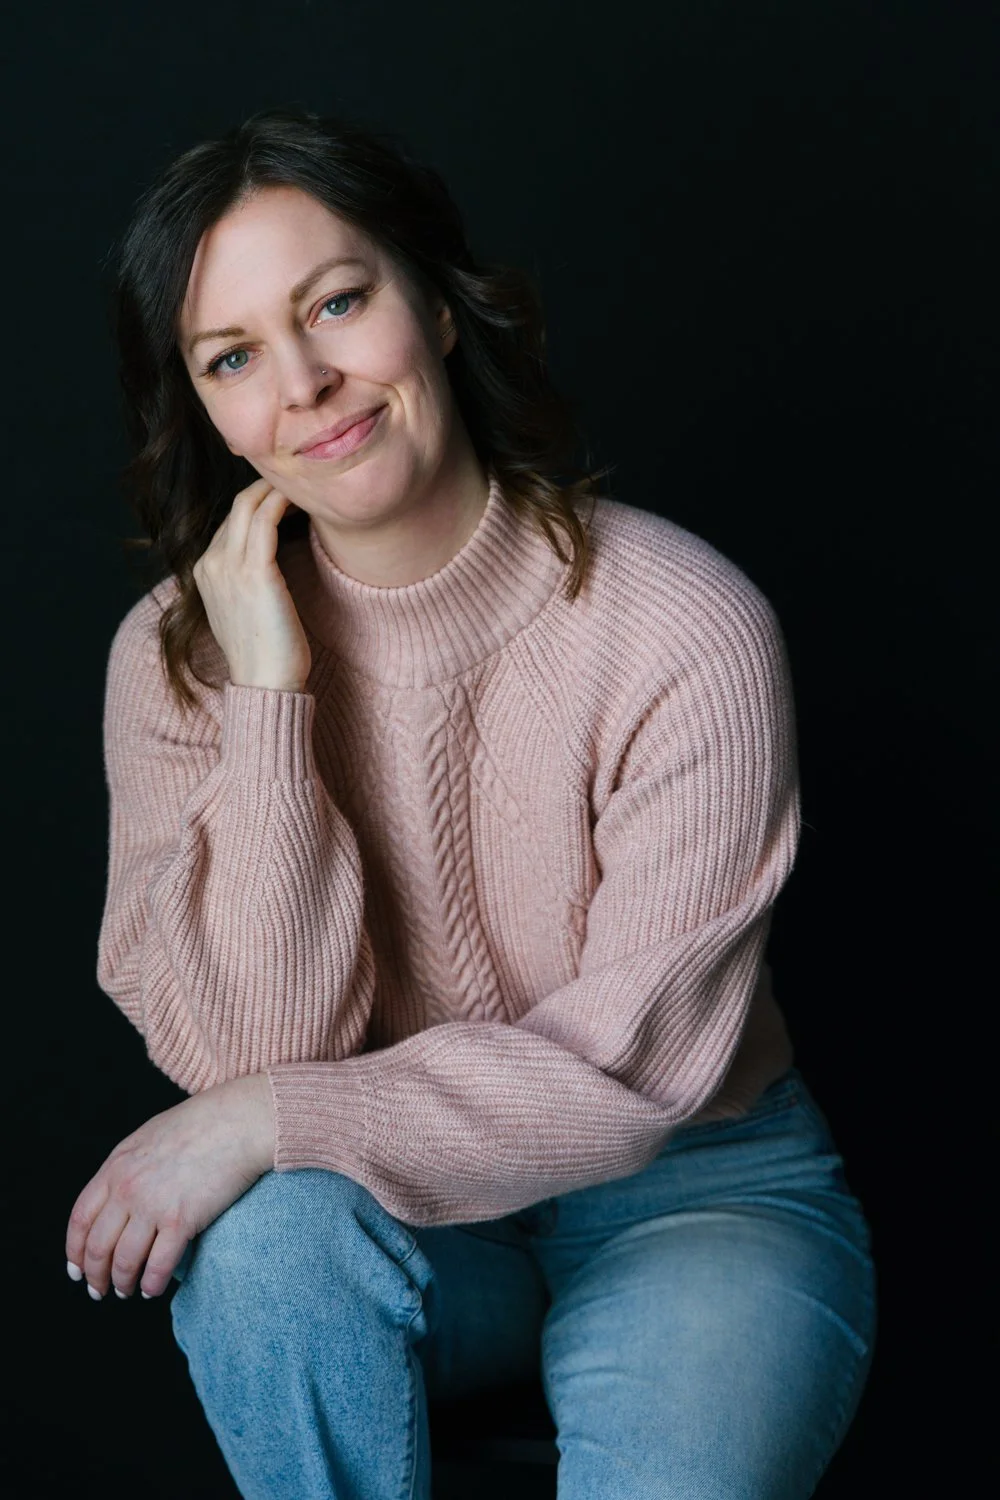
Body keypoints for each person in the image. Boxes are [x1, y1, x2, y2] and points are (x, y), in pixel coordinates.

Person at [65, 107, 877, 1499]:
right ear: (201, 404)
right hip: (411, 1224)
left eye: (338, 301)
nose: (307, 383)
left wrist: (269, 1120)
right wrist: (273, 706)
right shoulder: (180, 657)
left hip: (698, 1194)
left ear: (437, 307)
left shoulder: (682, 624)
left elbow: (626, 1074)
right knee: (265, 1248)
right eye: (235, 356)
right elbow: (260, 1052)